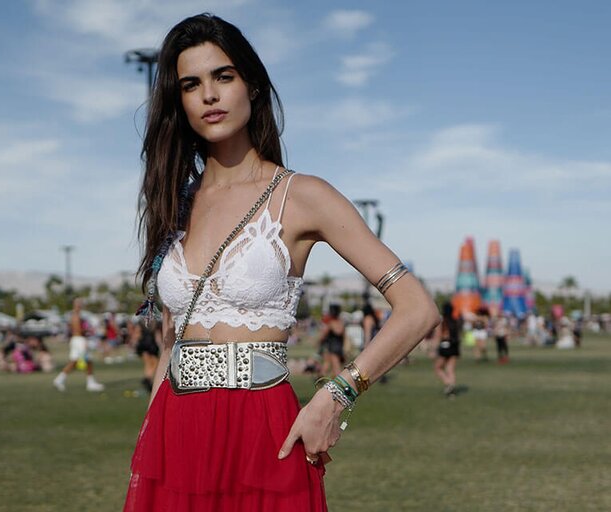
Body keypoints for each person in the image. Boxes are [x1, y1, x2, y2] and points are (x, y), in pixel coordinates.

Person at [123, 14, 439, 512]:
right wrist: (149, 437)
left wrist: (337, 396)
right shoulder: (174, 203)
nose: (209, 95)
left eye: (223, 76)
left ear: (251, 84)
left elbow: (417, 309)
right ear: (178, 102)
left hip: (263, 429)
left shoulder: (303, 195)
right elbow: (171, 341)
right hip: (174, 432)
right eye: (191, 84)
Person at [52, 298, 105, 392]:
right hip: (79, 340)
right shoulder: (76, 316)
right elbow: (78, 330)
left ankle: (60, 380)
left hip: (77, 340)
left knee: (80, 361)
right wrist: (88, 331)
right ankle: (90, 383)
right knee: (83, 361)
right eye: (79, 304)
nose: (80, 305)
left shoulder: (76, 315)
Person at [433, 302, 461, 397]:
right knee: (450, 369)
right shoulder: (455, 321)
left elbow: (439, 335)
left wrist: (433, 349)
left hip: (445, 346)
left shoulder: (443, 322)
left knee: (438, 368)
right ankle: (451, 388)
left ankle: (449, 384)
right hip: (454, 347)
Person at [318, 304, 345, 378]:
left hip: (332, 346)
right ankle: (321, 376)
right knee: (333, 364)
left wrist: (320, 342)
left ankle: (339, 382)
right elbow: (343, 335)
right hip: (339, 346)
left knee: (335, 367)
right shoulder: (341, 323)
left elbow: (323, 335)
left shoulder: (331, 323)